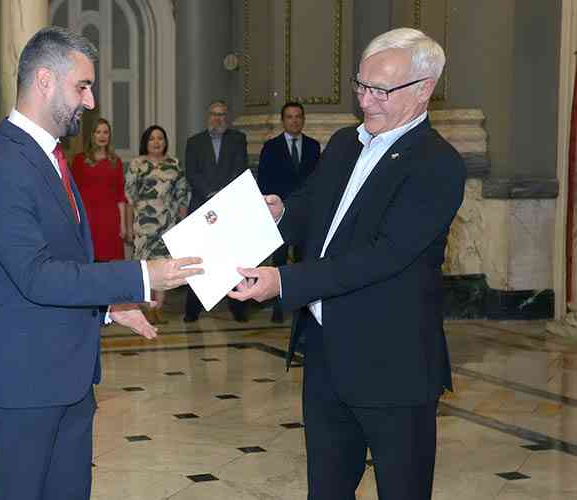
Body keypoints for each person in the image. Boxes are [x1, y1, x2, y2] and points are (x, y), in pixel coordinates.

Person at [0, 26, 201, 500]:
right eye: (83, 87)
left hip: (65, 378)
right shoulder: (3, 167)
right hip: (24, 384)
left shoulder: (48, 156)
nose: (90, 102)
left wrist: (108, 309)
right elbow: (36, 276)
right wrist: (141, 273)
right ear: (45, 80)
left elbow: (62, 259)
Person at [229, 28, 466, 500]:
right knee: (327, 489)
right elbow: (314, 205)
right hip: (325, 353)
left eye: (381, 90)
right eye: (361, 85)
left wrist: (284, 281)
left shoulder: (437, 164)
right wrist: (282, 212)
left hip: (392, 364)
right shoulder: (343, 143)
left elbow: (383, 256)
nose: (366, 100)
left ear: (424, 90)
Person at [184, 100, 249, 322]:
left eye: (222, 114)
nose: (217, 118)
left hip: (229, 207)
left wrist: (223, 197)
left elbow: (240, 169)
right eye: (214, 114)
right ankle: (192, 310)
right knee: (199, 259)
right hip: (201, 207)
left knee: (232, 259)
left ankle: (238, 308)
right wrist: (210, 194)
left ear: (227, 117)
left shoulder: (238, 139)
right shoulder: (194, 142)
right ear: (208, 116)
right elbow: (191, 173)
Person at [256, 101, 321, 323]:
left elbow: (317, 180)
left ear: (303, 119)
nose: (294, 121)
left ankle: (303, 309)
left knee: (305, 263)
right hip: (279, 212)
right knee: (280, 262)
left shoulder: (313, 146)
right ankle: (278, 308)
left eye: (298, 116)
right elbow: (264, 179)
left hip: (305, 214)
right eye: (290, 117)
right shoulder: (271, 147)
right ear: (283, 121)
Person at [125, 125, 189, 324]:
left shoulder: (174, 164)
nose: (156, 142)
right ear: (146, 142)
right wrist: (127, 226)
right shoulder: (137, 164)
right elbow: (129, 198)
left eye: (160, 138)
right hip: (143, 225)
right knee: (145, 267)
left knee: (164, 264)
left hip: (167, 224)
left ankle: (158, 309)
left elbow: (182, 196)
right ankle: (147, 308)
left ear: (165, 141)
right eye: (152, 138)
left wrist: (183, 223)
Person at [69, 118, 127, 262]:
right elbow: (72, 194)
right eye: (98, 132)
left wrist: (123, 225)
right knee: (89, 261)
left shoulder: (116, 161)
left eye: (106, 132)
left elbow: (120, 196)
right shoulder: (80, 160)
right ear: (92, 135)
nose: (102, 136)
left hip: (111, 220)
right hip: (88, 218)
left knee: (112, 264)